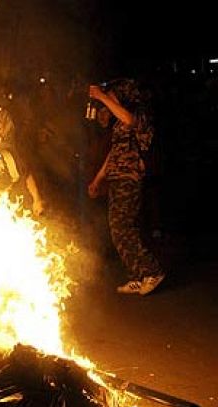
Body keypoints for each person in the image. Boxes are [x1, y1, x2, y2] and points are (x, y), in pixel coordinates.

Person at [87, 79, 165, 295]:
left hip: (129, 178)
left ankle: (153, 270)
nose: (108, 101)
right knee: (119, 228)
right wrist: (98, 178)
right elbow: (114, 153)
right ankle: (137, 276)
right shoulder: (119, 123)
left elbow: (130, 120)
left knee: (123, 226)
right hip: (116, 177)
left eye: (113, 96)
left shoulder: (137, 115)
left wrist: (102, 96)